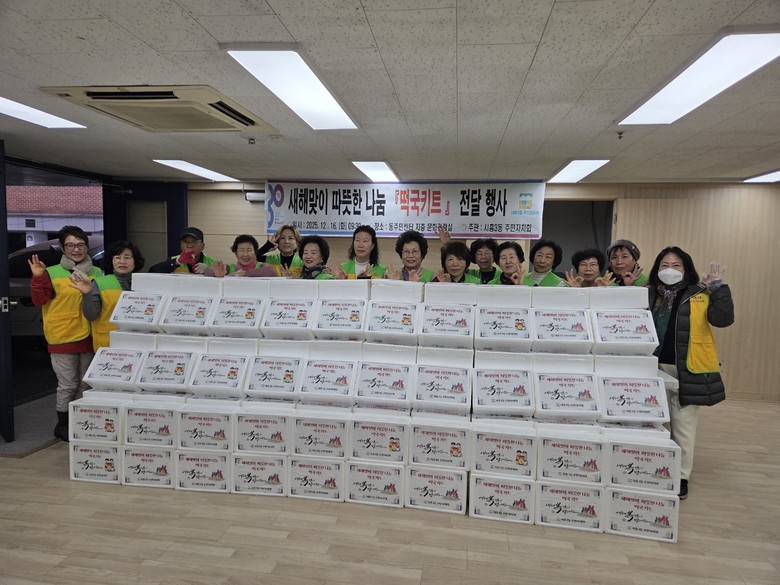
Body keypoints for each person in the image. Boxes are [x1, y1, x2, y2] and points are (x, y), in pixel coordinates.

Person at [648, 246, 734, 500]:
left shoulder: (700, 293)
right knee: (655, 423)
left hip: (687, 367)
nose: (670, 270)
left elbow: (722, 320)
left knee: (683, 426)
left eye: (676, 266)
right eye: (664, 265)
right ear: (656, 269)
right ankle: (654, 470)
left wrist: (718, 289)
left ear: (686, 269)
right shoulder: (648, 293)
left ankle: (681, 476)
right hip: (651, 367)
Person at [29, 225, 104, 441]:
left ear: (87, 247)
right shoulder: (51, 272)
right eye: (70, 245)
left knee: (85, 384)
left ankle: (81, 423)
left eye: (80, 245)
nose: (76, 249)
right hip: (62, 337)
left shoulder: (97, 273)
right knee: (68, 385)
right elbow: (39, 301)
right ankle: (62, 426)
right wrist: (37, 278)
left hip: (90, 336)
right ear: (62, 248)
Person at [71, 240, 145, 351]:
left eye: (127, 257)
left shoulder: (145, 284)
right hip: (107, 344)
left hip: (138, 343)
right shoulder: (99, 283)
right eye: (117, 257)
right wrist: (87, 294)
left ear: (135, 261)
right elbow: (91, 316)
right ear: (112, 261)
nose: (122, 261)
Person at [204, 234, 280, 277]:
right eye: (241, 250)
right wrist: (217, 272)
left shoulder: (262, 266)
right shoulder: (229, 268)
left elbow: (271, 272)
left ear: (255, 252)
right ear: (236, 253)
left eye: (249, 250)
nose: (245, 254)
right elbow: (208, 270)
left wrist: (246, 273)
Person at [148, 227, 217, 274]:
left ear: (202, 246)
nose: (189, 245)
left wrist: (208, 270)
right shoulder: (174, 259)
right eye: (185, 241)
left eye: (194, 242)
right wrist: (177, 262)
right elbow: (152, 271)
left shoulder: (212, 262)